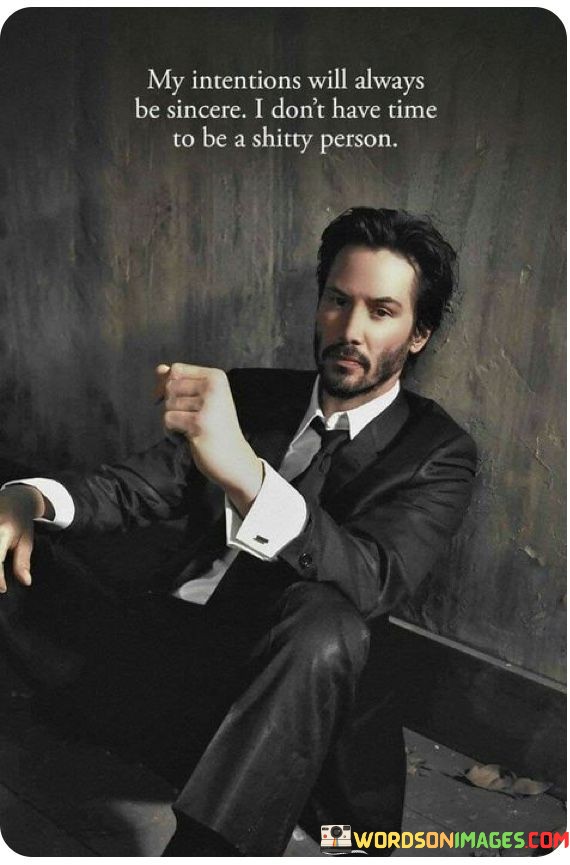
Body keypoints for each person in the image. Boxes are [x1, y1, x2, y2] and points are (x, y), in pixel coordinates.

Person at [0, 207, 477, 856]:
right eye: (338, 300)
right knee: (22, 533)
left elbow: (374, 578)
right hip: (168, 665)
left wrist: (248, 476)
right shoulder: (249, 396)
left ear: (418, 333)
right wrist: (24, 498)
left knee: (328, 618)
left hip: (277, 709)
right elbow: (131, 489)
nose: (350, 329)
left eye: (382, 311)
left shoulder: (437, 452)